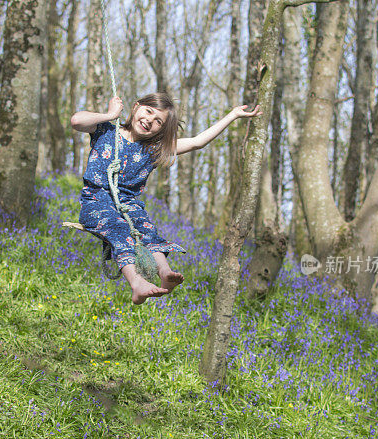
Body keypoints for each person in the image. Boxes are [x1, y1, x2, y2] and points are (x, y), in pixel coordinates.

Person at [71, 93, 261, 304]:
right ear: (135, 108)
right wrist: (110, 114)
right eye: (148, 111)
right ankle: (137, 283)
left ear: (162, 129)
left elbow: (198, 142)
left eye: (158, 121)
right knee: (119, 228)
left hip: (129, 205)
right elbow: (77, 121)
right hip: (96, 202)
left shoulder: (154, 149)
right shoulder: (106, 130)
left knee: (146, 230)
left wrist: (232, 115)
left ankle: (165, 272)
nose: (149, 120)